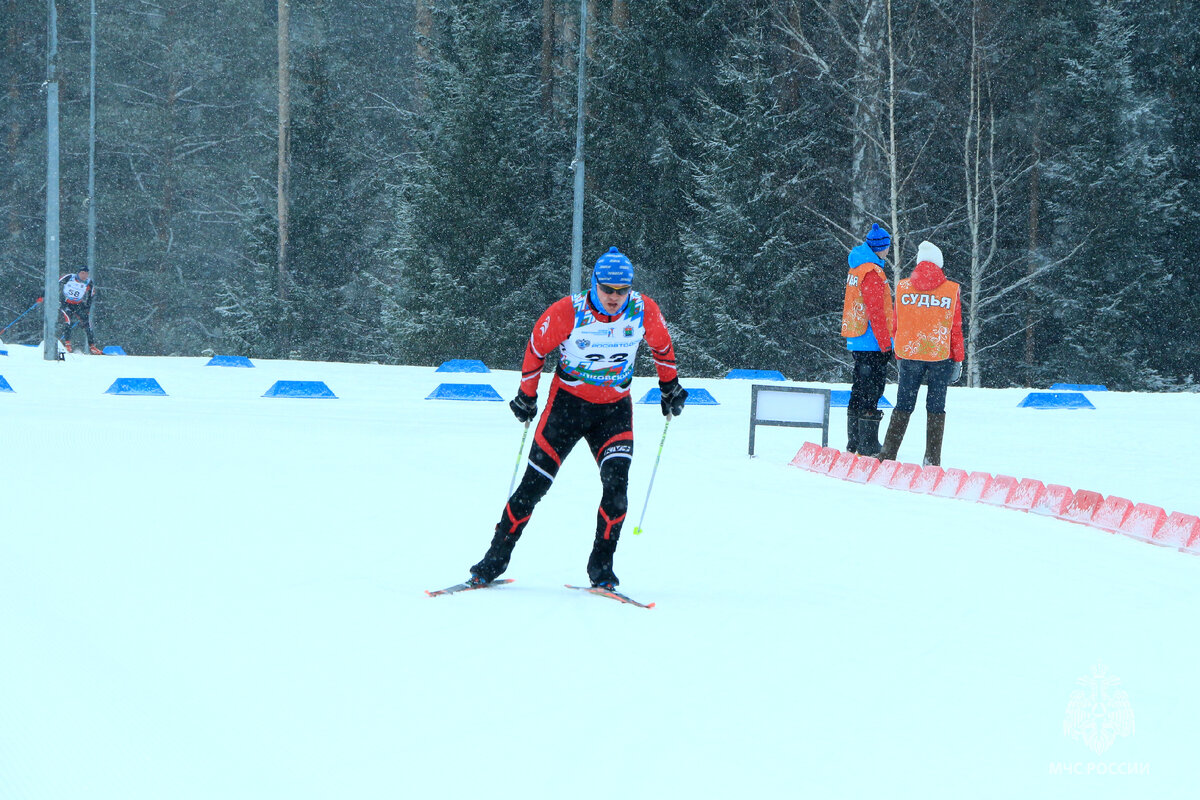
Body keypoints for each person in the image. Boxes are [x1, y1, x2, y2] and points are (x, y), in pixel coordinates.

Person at [467, 247, 687, 590]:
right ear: (594, 284)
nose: (614, 298)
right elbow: (536, 350)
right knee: (532, 488)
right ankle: (491, 563)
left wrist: (669, 387)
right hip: (567, 408)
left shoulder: (644, 309)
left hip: (613, 411)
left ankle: (602, 571)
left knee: (617, 492)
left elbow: (662, 348)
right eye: (607, 290)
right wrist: (527, 396)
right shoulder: (568, 311)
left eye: (621, 291)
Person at [878, 240, 964, 466]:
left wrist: (898, 351)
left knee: (903, 405)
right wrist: (958, 358)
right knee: (936, 408)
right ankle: (932, 460)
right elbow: (955, 328)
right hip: (939, 354)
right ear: (939, 264)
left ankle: (887, 454)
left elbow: (896, 323)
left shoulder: (903, 287)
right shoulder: (951, 290)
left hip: (909, 353)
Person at [840, 222, 894, 456]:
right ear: (880, 248)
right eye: (886, 247)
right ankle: (868, 443)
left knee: (859, 388)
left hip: (858, 336)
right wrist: (885, 344)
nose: (888, 252)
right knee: (872, 390)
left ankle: (854, 441)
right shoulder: (872, 272)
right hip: (871, 340)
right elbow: (877, 312)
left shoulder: (857, 268)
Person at [57, 266, 101, 354]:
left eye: (86, 273)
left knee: (87, 324)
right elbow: (55, 283)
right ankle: (67, 344)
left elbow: (90, 296)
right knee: (68, 321)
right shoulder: (70, 277)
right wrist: (44, 295)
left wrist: (87, 308)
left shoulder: (89, 282)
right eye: (82, 273)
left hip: (78, 304)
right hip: (66, 303)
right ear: (78, 273)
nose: (84, 275)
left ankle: (92, 346)